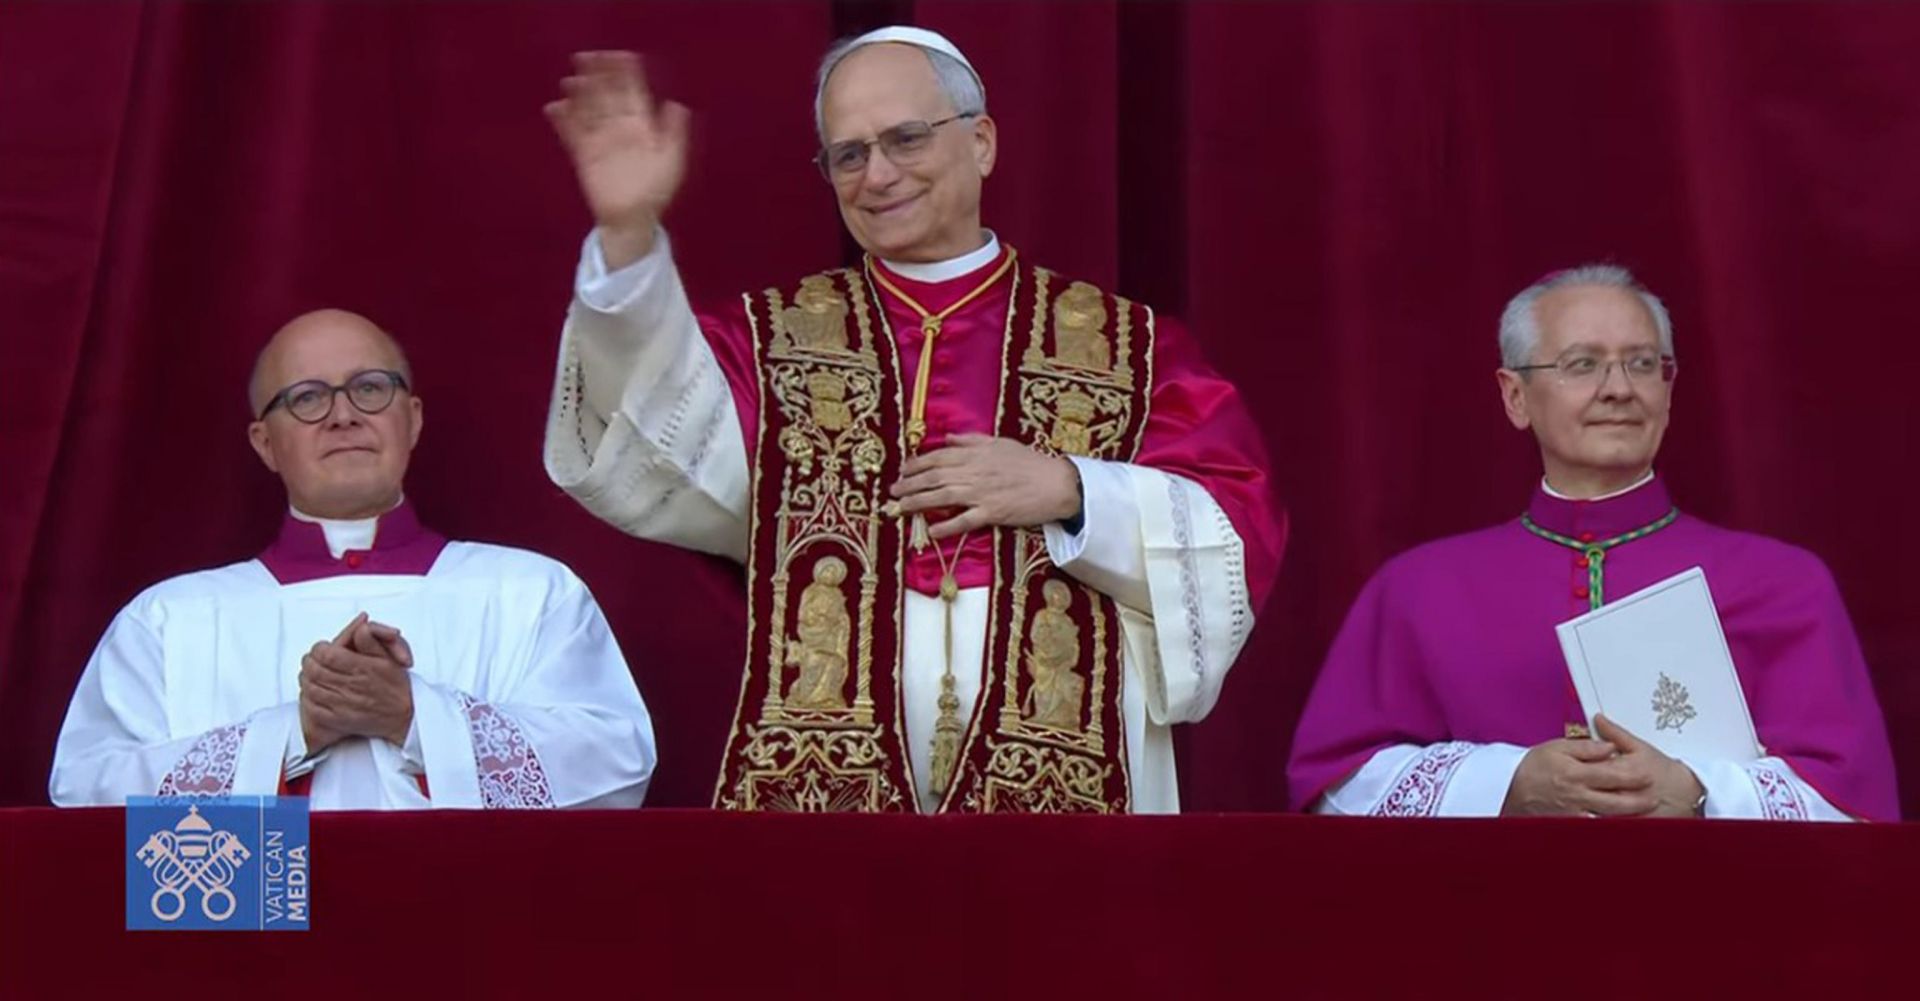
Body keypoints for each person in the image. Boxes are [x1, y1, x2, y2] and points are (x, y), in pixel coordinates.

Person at [541, 27, 1284, 813]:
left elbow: (1235, 533)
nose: (878, 174)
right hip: (826, 790)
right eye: (848, 154)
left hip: (1070, 787)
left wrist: (1073, 490)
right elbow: (656, 424)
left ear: (982, 142)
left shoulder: (1126, 347)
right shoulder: (769, 344)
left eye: (905, 138)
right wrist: (628, 235)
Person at [1287, 265, 1898, 820]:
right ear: (1515, 396)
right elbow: (1336, 788)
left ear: (1669, 390)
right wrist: (1507, 783)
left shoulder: (1783, 583)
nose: (1618, 389)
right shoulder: (1418, 588)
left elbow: (1854, 802)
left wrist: (1696, 790)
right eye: (1582, 364)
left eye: (1642, 363)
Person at [51, 309, 656, 809]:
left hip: (465, 915)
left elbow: (616, 765)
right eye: (307, 397)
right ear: (265, 444)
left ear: (412, 419)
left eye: (369, 387)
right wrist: (293, 734)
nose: (343, 415)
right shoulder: (169, 619)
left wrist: (415, 718)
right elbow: (85, 794)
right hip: (256, 924)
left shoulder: (531, 593)